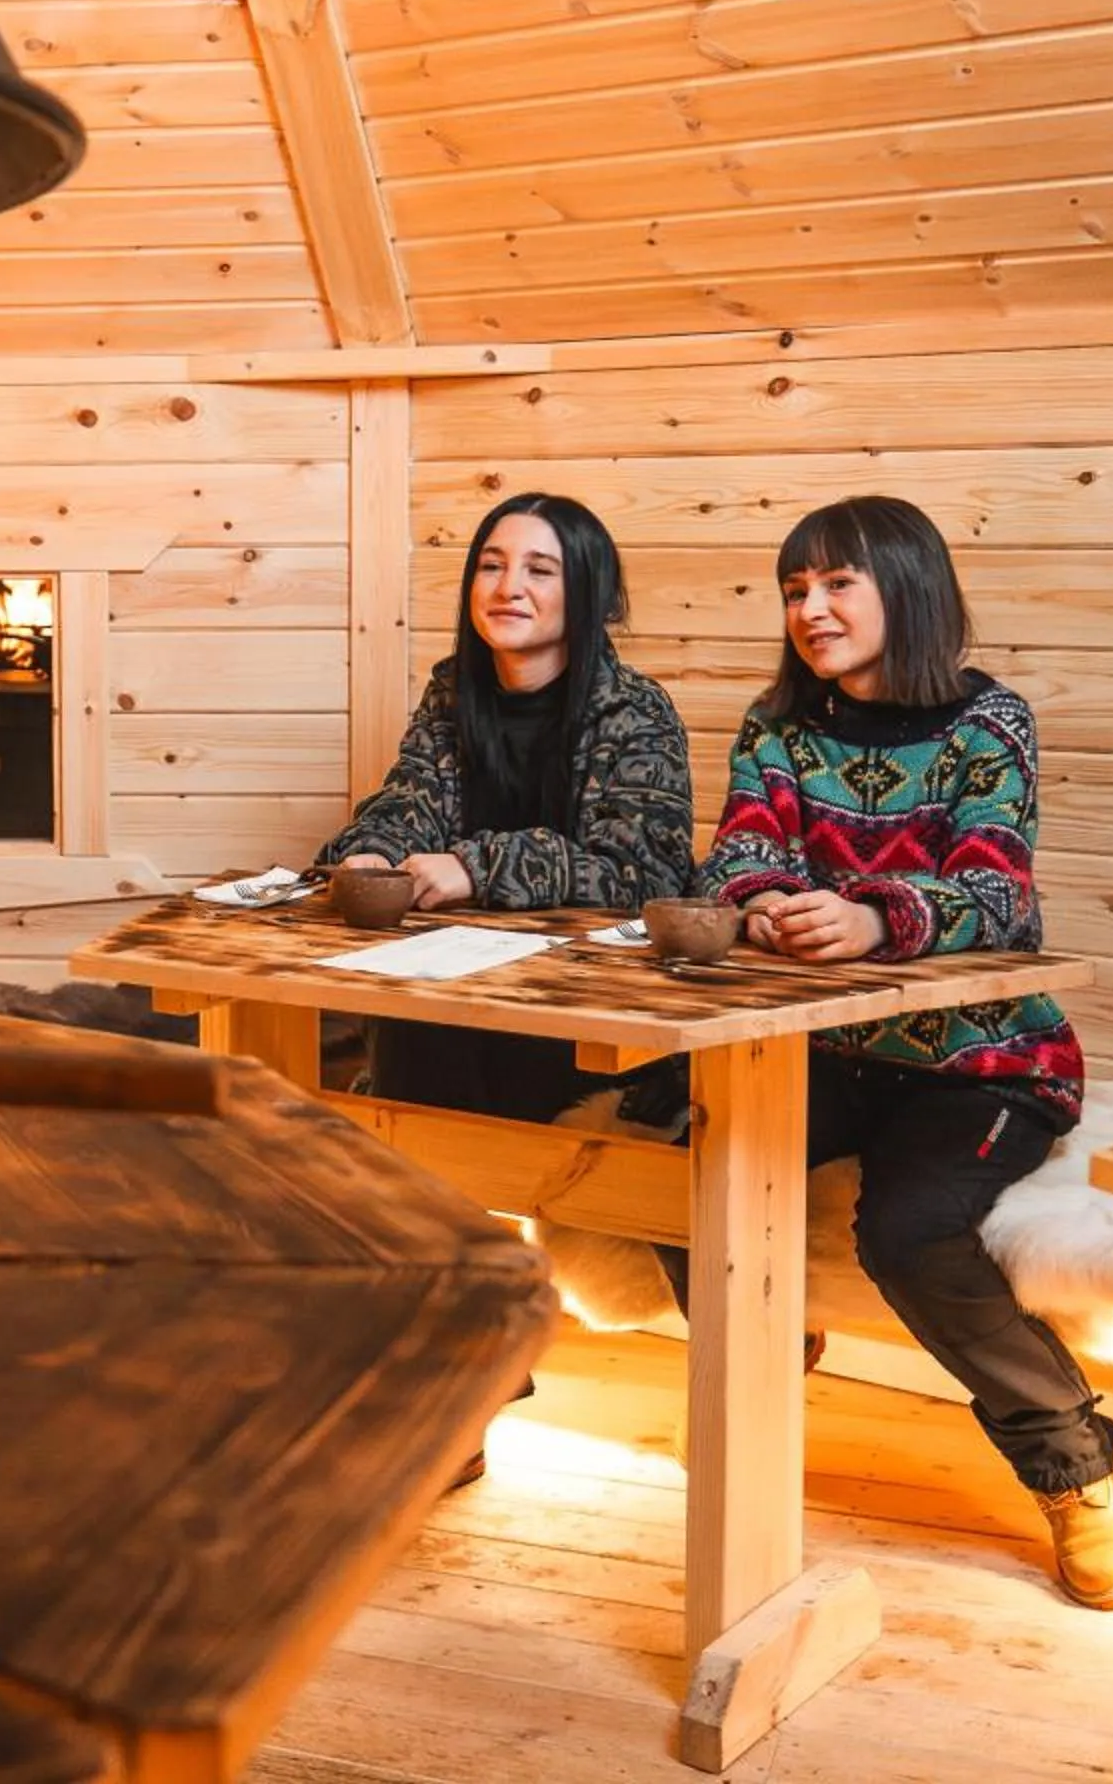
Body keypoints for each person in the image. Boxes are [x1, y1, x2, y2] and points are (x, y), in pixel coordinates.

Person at [692, 494, 1113, 1610]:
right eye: (795, 589)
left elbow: (997, 889)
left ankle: (1072, 1465)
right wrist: (767, 906)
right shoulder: (776, 726)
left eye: (837, 583)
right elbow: (734, 859)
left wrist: (870, 917)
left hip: (986, 1060)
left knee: (909, 1231)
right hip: (817, 1047)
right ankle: (769, 1342)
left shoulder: (992, 722)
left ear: (908, 585)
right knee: (670, 1156)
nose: (811, 608)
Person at [316, 494, 695, 1489]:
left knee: (467, 1119)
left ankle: (746, 1344)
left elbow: (642, 869)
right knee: (399, 1108)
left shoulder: (634, 710)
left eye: (538, 568)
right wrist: (373, 849)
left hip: (588, 1011)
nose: (508, 586)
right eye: (491, 564)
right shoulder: (455, 691)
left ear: (588, 590)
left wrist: (474, 866)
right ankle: (465, 1393)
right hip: (461, 994)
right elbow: (409, 800)